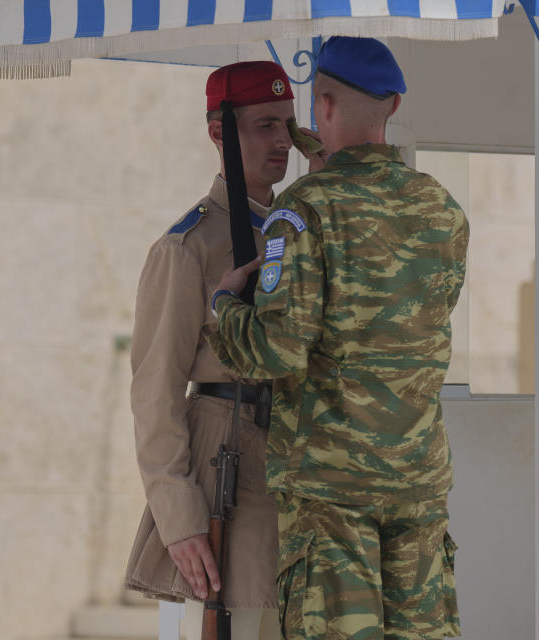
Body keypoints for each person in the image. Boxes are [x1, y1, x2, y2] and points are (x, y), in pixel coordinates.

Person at [208, 37, 469, 640]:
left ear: (319, 104)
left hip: (333, 491)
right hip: (418, 481)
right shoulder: (442, 208)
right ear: (395, 105)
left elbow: (277, 349)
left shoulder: (302, 211)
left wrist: (225, 307)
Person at [124, 60, 309, 640]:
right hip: (224, 474)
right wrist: (179, 519)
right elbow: (155, 389)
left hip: (295, 474)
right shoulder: (188, 245)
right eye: (263, 126)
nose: (282, 140)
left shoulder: (297, 230)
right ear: (218, 132)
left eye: (288, 124)